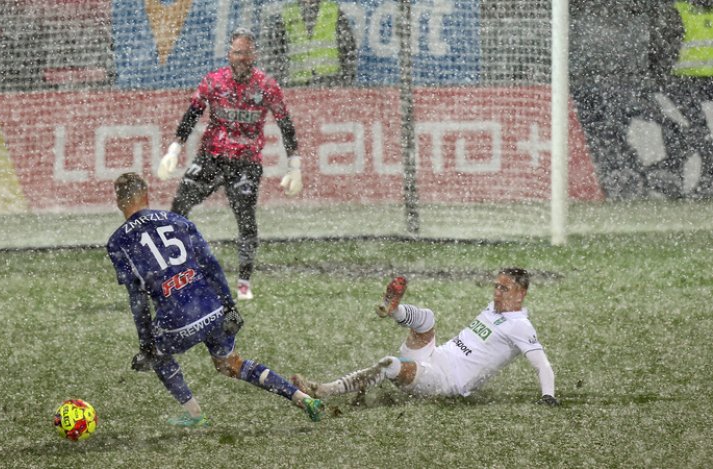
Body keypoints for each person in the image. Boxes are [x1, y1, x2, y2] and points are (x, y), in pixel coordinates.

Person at [106, 172, 323, 427]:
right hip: (211, 307)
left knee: (159, 355)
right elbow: (211, 265)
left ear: (119, 202)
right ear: (146, 195)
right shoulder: (177, 220)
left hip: (177, 318)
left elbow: (138, 299)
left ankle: (195, 415)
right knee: (232, 364)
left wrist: (145, 346)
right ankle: (301, 397)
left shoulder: (118, 242)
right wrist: (229, 308)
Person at [156, 27, 302, 301]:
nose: (242, 58)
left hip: (246, 164)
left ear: (254, 55)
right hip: (211, 157)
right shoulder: (213, 82)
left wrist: (295, 165)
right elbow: (192, 114)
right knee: (178, 208)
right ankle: (173, 271)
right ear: (229, 54)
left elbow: (286, 125)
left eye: (246, 53)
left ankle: (244, 283)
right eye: (237, 52)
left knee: (246, 220)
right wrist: (174, 149)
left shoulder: (267, 86)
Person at [291, 269, 559, 406]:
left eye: (504, 288)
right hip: (437, 356)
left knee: (390, 364)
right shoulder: (494, 308)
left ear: (520, 294)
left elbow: (542, 365)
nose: (497, 293)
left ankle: (324, 390)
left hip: (445, 381)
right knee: (427, 318)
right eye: (496, 286)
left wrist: (548, 397)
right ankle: (393, 310)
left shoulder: (521, 326)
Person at [647, 0, 713, 198]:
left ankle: (679, 173)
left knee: (693, 131)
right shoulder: (676, 9)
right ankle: (687, 176)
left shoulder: (676, 9)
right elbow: (660, 48)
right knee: (693, 130)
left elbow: (659, 48)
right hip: (683, 80)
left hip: (684, 79)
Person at [260, 0, 357, 87]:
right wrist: (280, 84)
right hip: (296, 85)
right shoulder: (286, 13)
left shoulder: (334, 11)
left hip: (330, 83)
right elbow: (275, 54)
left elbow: (348, 51)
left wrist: (345, 82)